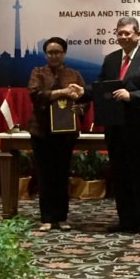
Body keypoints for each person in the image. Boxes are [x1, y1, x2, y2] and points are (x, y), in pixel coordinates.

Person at [70, 16, 140, 235]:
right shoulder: (111, 59)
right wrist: (83, 93)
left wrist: (131, 95)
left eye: (127, 33)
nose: (122, 37)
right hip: (116, 128)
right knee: (121, 176)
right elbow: (102, 88)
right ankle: (126, 220)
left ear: (137, 35)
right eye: (119, 33)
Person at [27, 36, 87, 232]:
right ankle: (47, 218)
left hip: (65, 134)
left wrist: (80, 108)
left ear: (64, 53)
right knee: (45, 176)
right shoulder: (38, 72)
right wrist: (62, 92)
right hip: (42, 132)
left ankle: (61, 218)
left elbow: (83, 98)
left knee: (61, 176)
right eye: (50, 52)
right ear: (45, 54)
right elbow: (36, 95)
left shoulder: (74, 74)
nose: (54, 55)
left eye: (58, 52)